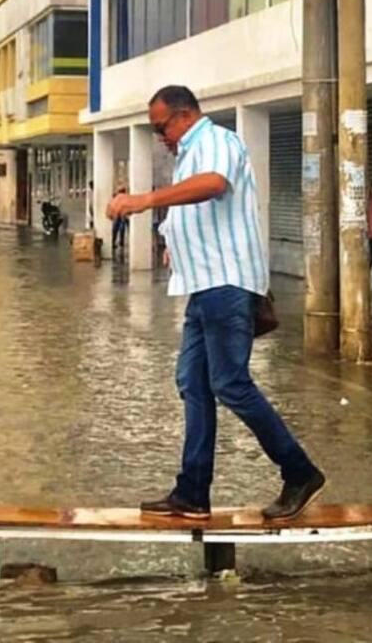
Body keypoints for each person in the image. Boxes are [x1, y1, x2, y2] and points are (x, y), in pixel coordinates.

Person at [108, 85, 325, 520]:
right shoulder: (189, 153)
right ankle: (192, 492)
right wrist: (174, 242)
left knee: (229, 383)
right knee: (193, 383)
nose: (160, 138)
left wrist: (144, 200)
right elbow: (198, 208)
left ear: (185, 115)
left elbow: (213, 184)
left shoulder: (216, 140)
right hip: (203, 284)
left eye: (161, 128)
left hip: (226, 283)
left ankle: (299, 471)